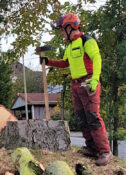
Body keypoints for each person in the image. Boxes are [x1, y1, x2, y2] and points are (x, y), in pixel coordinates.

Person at [40, 13, 112, 166]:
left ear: (69, 27)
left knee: (93, 116)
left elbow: (97, 58)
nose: (61, 33)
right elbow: (65, 63)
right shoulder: (70, 46)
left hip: (88, 82)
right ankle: (92, 148)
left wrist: (95, 79)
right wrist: (48, 62)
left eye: (62, 29)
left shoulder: (87, 41)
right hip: (75, 84)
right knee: (81, 117)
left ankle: (104, 151)